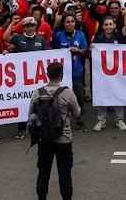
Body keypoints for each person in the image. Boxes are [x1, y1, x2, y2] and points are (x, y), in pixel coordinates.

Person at [29, 61, 80, 200]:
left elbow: (31, 116)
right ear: (61, 75)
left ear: (47, 75)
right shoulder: (68, 93)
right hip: (64, 139)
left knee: (43, 173)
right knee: (65, 174)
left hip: (44, 139)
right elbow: (77, 114)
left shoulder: (37, 93)